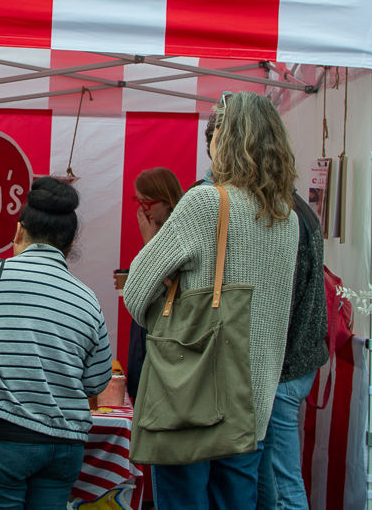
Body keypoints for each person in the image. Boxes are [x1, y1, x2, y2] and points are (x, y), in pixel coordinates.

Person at [123, 91, 299, 510]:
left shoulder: (205, 202)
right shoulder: (287, 218)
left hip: (194, 393)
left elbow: (134, 290)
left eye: (215, 131)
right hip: (252, 403)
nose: (211, 141)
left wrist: (169, 301)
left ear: (229, 138)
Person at [0, 176, 113, 510]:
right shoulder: (87, 299)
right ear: (69, 242)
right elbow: (96, 382)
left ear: (19, 231)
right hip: (65, 447)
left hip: (2, 441)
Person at [257, 192, 328, 510]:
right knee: (275, 477)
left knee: (284, 482)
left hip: (288, 364)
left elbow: (285, 301)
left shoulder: (285, 216)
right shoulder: (298, 207)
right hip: (298, 359)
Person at [123, 167, 184, 401]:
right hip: (143, 330)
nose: (140, 209)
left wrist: (149, 244)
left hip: (165, 336)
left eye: (146, 203)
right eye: (137, 201)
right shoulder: (155, 230)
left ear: (168, 202)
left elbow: (172, 286)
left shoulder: (179, 235)